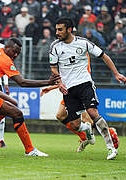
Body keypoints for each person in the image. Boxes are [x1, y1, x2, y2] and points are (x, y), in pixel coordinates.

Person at [49, 17, 126, 160]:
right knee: (75, 124)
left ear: (69, 30)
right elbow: (54, 68)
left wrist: (116, 73)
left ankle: (111, 148)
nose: (57, 32)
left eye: (60, 29)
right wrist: (59, 83)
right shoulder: (55, 47)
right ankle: (87, 129)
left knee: (92, 112)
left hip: (84, 83)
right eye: (56, 29)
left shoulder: (83, 43)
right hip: (69, 89)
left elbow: (104, 56)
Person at [40, 85, 120, 152]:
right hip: (69, 91)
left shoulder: (83, 66)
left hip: (81, 89)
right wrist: (51, 88)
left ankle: (110, 131)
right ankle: (84, 136)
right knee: (60, 116)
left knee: (87, 120)